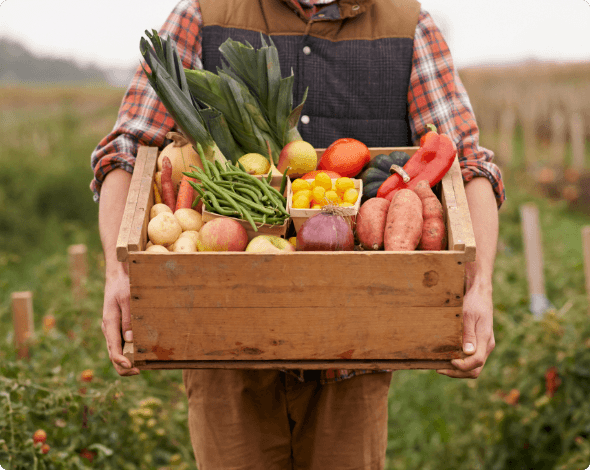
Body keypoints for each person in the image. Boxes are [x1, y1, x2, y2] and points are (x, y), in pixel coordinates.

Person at [91, 0, 505, 468]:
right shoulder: (202, 15)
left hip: (357, 349)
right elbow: (126, 153)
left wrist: (479, 285)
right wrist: (118, 271)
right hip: (225, 347)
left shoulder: (408, 25)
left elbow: (468, 166)